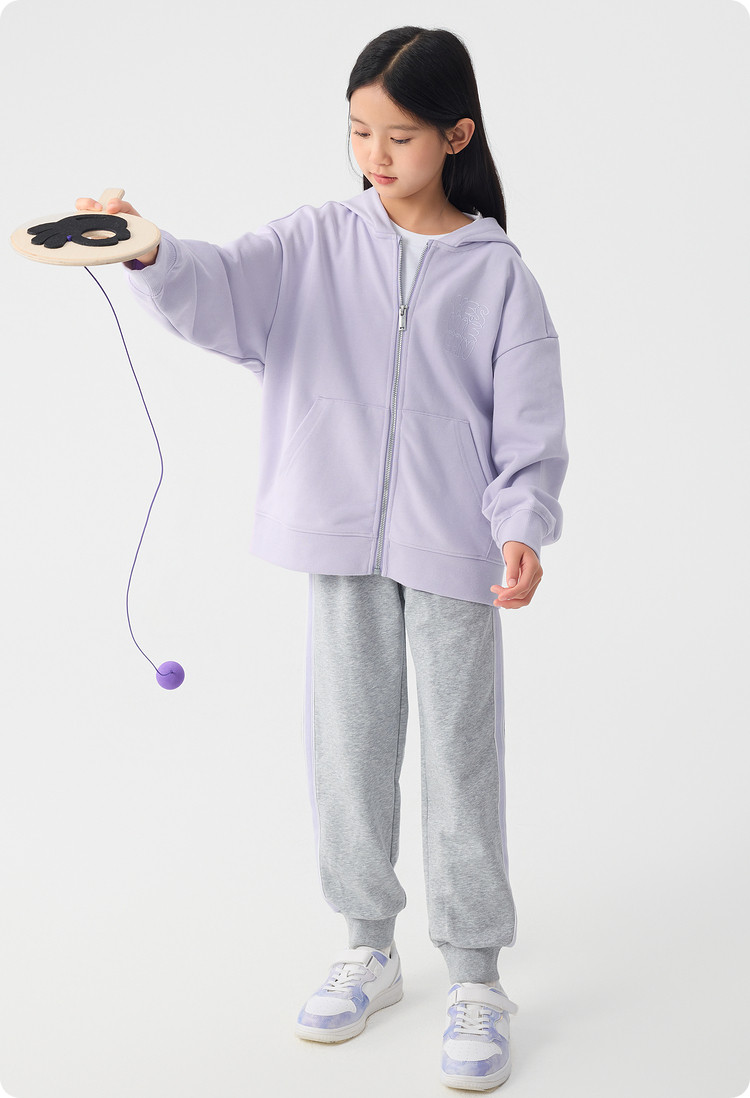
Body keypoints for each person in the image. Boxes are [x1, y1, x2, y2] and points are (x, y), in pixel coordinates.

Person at [76, 24, 568, 1091]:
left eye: (399, 135)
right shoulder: (313, 241)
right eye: (357, 132)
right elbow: (220, 287)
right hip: (340, 541)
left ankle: (476, 977)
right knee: (348, 749)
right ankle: (368, 949)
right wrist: (152, 251)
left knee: (461, 760)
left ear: (456, 135)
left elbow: (529, 420)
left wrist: (523, 524)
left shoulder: (499, 276)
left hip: (456, 551)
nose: (374, 155)